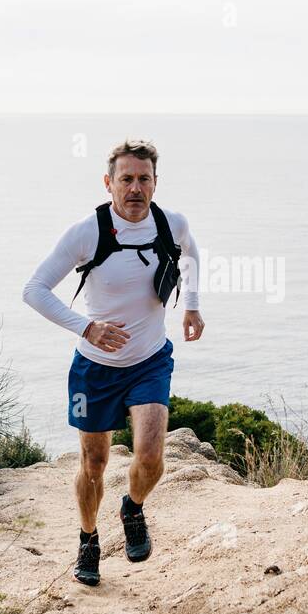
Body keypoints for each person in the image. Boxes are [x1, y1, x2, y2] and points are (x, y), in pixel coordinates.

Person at [22, 139, 204, 585]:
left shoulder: (171, 224)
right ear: (109, 183)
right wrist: (86, 327)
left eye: (144, 179)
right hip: (95, 368)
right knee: (94, 464)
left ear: (155, 183)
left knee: (151, 456)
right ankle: (88, 539)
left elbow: (191, 255)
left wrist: (192, 306)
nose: (135, 188)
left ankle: (133, 508)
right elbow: (34, 290)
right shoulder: (87, 232)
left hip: (149, 361)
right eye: (126, 179)